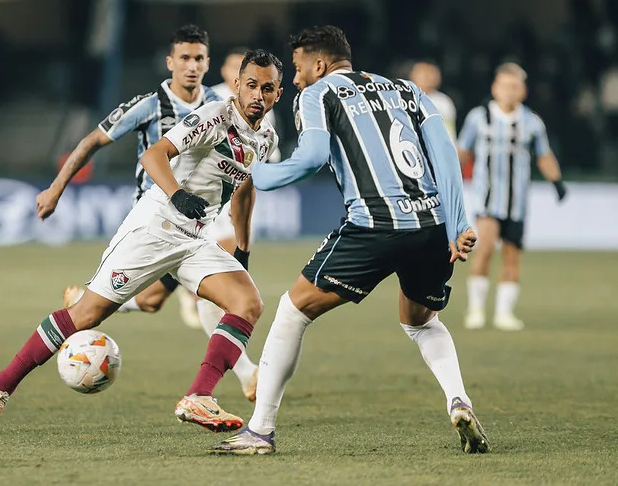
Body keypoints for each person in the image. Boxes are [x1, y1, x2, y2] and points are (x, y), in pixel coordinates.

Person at [209, 26, 489, 456]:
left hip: (374, 223)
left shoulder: (318, 95)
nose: (296, 80)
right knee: (420, 320)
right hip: (431, 223)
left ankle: (260, 430)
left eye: (299, 69)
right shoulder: (409, 91)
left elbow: (314, 157)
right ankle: (459, 400)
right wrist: (458, 223)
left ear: (319, 64)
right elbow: (445, 154)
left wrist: (257, 173)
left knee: (292, 310)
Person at [0, 49, 283, 435]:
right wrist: (177, 195)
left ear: (277, 94)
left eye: (266, 88)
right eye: (250, 85)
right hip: (155, 227)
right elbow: (156, 155)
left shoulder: (266, 136)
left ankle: (199, 396)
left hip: (197, 237)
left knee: (247, 302)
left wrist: (244, 249)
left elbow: (244, 190)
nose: (257, 95)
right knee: (85, 316)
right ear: (237, 84)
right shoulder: (214, 116)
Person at [41, 25, 221, 331]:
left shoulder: (219, 105)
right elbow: (91, 141)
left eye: (198, 58)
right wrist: (55, 190)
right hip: (156, 219)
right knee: (221, 295)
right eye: (184, 57)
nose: (191, 66)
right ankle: (250, 374)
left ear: (207, 63)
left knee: (152, 302)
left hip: (198, 217)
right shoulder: (149, 105)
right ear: (170, 62)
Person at [457, 63, 567, 331]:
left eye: (514, 86)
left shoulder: (532, 122)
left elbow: (543, 154)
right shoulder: (478, 117)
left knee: (512, 255)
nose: (509, 91)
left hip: (517, 202)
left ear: (523, 91)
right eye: (505, 85)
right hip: (488, 199)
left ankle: (504, 313)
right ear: (495, 88)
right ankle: (476, 309)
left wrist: (557, 181)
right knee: (484, 249)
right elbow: (463, 152)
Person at [409, 60, 457, 143]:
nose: (426, 77)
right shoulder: (403, 98)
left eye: (431, 72)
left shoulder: (444, 102)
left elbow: (449, 134)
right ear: (412, 75)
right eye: (422, 72)